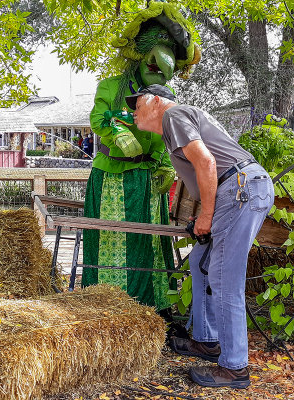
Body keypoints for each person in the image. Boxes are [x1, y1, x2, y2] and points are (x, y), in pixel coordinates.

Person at [125, 85, 274, 389]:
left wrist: (207, 216)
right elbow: (206, 169)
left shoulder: (173, 116)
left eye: (137, 103)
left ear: (156, 101)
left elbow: (207, 163)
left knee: (222, 278)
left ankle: (235, 368)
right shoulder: (178, 123)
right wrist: (205, 211)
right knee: (201, 261)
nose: (133, 110)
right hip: (240, 189)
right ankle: (208, 341)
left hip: (240, 190)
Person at [81, 0, 202, 317]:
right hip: (112, 179)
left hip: (148, 183)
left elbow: (168, 131)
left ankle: (153, 310)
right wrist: (118, 133)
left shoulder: (165, 96)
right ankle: (107, 306)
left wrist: (164, 164)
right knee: (114, 241)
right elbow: (100, 117)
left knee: (148, 246)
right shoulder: (109, 87)